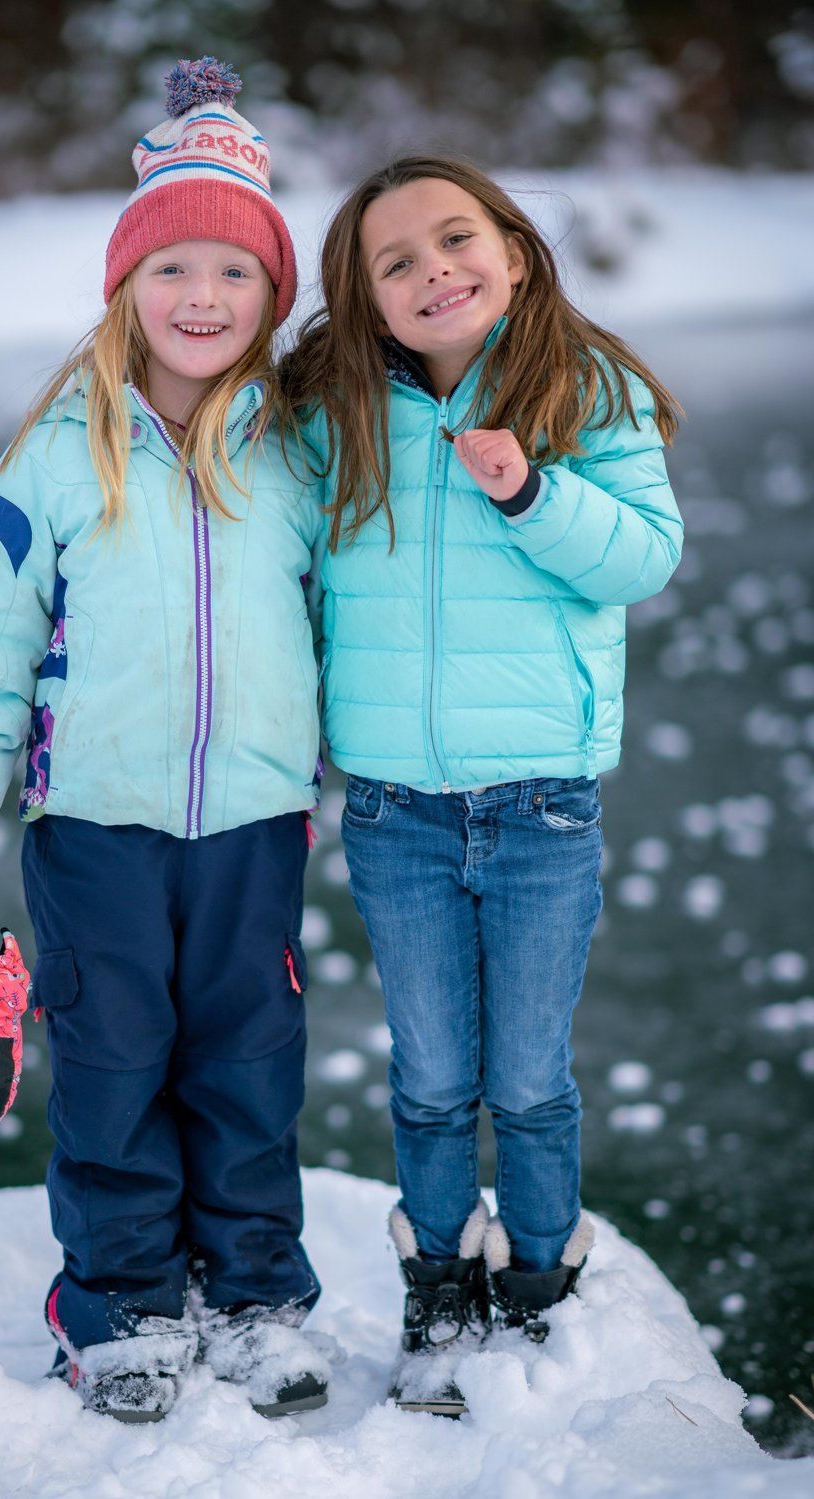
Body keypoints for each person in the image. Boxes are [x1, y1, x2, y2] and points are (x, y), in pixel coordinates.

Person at [0, 57, 329, 1424]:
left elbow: (356, 618)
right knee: (113, 1057)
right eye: (172, 271)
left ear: (272, 295)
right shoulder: (57, 451)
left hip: (257, 821)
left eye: (235, 274)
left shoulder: (300, 450)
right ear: (125, 287)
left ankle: (256, 1287)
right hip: (91, 821)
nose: (202, 298)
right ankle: (120, 1297)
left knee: (250, 1058)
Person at [282, 155, 683, 1415]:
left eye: (455, 240)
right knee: (432, 1076)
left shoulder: (582, 383)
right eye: (393, 262)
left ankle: (543, 1277)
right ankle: (441, 1283)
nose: (431, 271)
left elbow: (645, 556)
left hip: (540, 803)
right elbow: (282, 564)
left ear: (511, 248)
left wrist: (528, 489)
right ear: (366, 300)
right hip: (395, 807)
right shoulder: (337, 408)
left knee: (528, 1078)